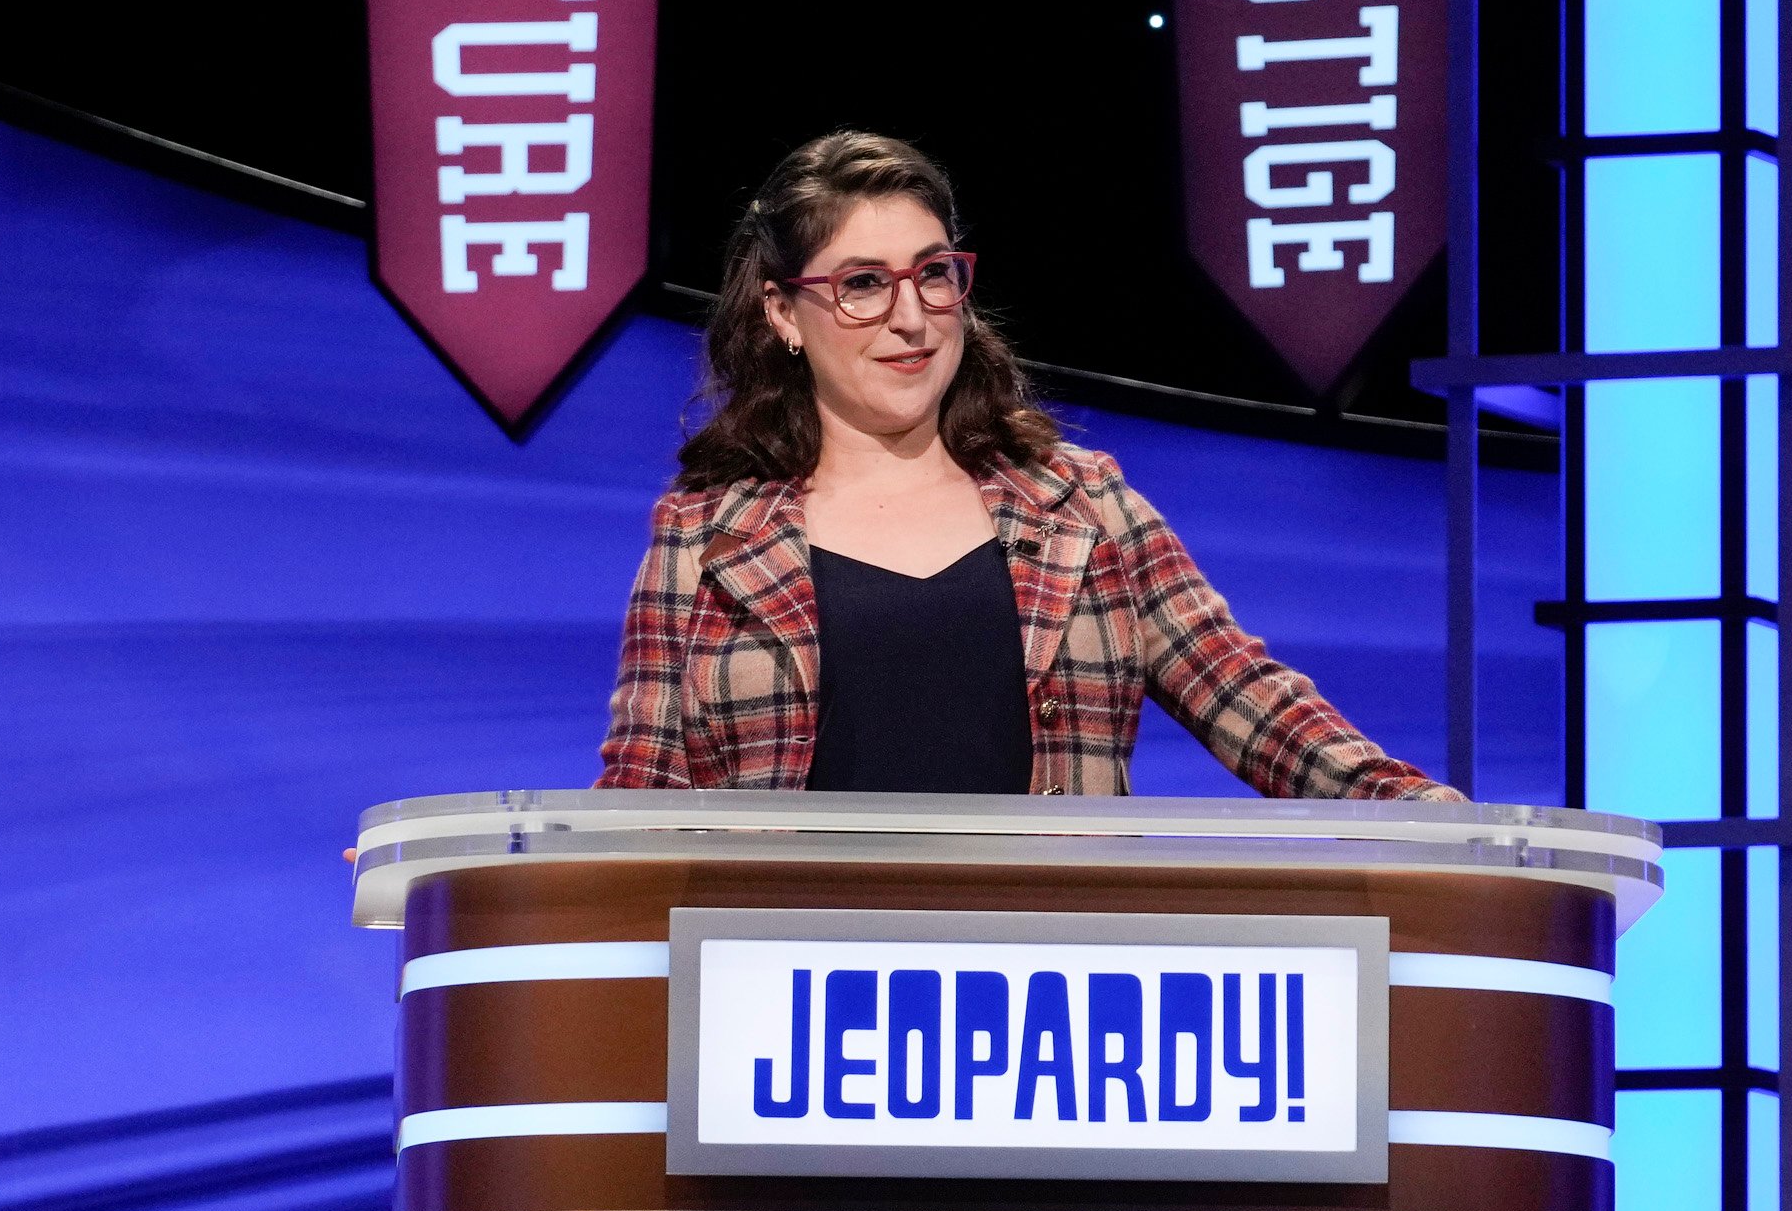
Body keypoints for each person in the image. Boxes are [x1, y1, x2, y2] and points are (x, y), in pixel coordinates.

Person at [596, 131, 1457, 801]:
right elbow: (641, 790)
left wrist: (1408, 804)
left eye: (933, 275)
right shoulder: (705, 535)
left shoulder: (1082, 505)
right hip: (795, 1001)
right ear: (784, 312)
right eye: (863, 284)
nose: (912, 317)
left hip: (1042, 994)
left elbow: (1247, 695)